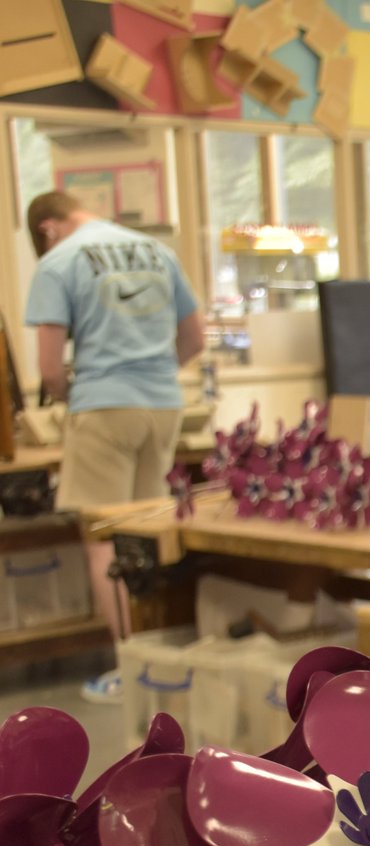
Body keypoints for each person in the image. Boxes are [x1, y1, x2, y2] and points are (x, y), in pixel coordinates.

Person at [25, 191, 205, 703]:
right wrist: (151, 377)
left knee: (103, 538)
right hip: (164, 407)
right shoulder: (156, 251)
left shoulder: (59, 261)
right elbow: (193, 339)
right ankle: (162, 662)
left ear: (47, 229)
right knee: (146, 535)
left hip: (103, 405)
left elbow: (49, 369)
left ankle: (130, 667)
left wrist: (71, 397)